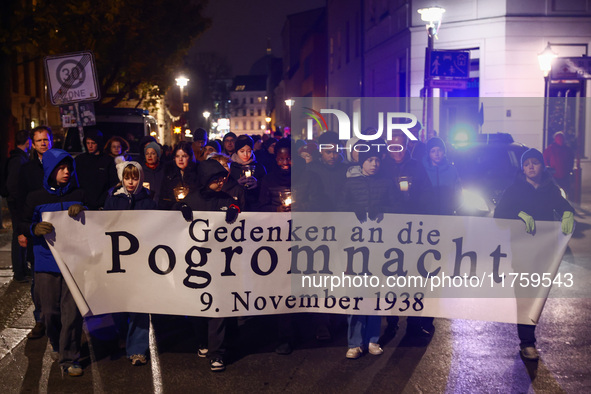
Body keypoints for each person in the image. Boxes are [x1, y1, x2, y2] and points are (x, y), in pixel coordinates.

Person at [494, 148, 574, 361]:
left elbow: (565, 206)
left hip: (544, 254)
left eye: (535, 162)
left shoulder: (550, 189)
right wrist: (518, 214)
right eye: (527, 163)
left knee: (537, 298)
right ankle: (527, 342)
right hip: (522, 253)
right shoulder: (514, 190)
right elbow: (499, 216)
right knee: (525, 297)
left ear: (542, 166)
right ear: (523, 167)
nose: (530, 166)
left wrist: (567, 213)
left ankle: (529, 336)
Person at [20, 149, 86, 376]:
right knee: (49, 313)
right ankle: (59, 345)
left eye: (69, 168)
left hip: (73, 262)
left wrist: (85, 212)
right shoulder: (35, 198)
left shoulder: (79, 193)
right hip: (46, 263)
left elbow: (96, 223)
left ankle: (71, 357)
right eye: (61, 168)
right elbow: (24, 223)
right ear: (50, 170)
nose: (66, 172)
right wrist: (33, 229)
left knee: (72, 313)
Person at [337, 139, 401, 359]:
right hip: (354, 246)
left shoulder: (386, 183)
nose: (374, 164)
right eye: (369, 160)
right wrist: (352, 210)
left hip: (378, 245)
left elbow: (397, 208)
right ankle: (354, 342)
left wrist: (381, 210)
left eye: (376, 160)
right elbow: (339, 210)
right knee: (355, 292)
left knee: (373, 293)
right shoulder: (349, 183)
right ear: (362, 162)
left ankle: (372, 339)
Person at [177, 159, 242, 372]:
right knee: (198, 307)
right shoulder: (193, 199)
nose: (221, 182)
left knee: (217, 307)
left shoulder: (226, 198)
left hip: (220, 263)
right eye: (216, 180)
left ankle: (217, 353)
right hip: (196, 263)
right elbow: (171, 217)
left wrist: (235, 208)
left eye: (222, 178)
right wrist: (181, 208)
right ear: (206, 180)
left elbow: (242, 212)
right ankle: (203, 342)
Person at [104, 161, 157, 366]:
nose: (131, 182)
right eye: (127, 178)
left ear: (140, 178)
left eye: (135, 178)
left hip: (140, 261)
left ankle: (137, 349)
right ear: (121, 179)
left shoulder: (148, 202)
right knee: (118, 304)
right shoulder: (112, 201)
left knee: (140, 305)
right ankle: (122, 335)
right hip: (117, 261)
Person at [18, 126, 54, 340]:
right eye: (39, 140)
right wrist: (22, 231)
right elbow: (20, 200)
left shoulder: (61, 164)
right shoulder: (27, 169)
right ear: (33, 143)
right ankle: (40, 319)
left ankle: (57, 316)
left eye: (46, 139)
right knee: (37, 277)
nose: (43, 143)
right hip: (35, 229)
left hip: (58, 229)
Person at [4, 130, 31, 282]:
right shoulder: (18, 160)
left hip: (16, 201)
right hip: (17, 203)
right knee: (18, 234)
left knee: (20, 234)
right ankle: (19, 271)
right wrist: (18, 200)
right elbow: (13, 184)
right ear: (28, 142)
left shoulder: (18, 158)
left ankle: (22, 268)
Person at [75, 129, 118, 209]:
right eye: (88, 143)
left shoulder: (108, 160)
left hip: (102, 204)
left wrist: (105, 200)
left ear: (99, 143)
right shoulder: (79, 160)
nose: (90, 146)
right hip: (83, 204)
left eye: (93, 143)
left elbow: (113, 183)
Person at [307, 131, 348, 212]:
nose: (332, 156)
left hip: (341, 215)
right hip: (318, 215)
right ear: (321, 150)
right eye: (328, 152)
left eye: (335, 152)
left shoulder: (346, 169)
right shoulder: (311, 169)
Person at [422, 137, 461, 215]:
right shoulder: (423, 170)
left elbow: (458, 191)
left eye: (439, 150)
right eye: (433, 151)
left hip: (447, 214)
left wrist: (453, 207)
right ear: (428, 153)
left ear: (444, 151)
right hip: (426, 215)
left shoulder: (452, 170)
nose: (437, 154)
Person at [229, 135, 266, 210]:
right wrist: (236, 184)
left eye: (249, 151)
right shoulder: (230, 167)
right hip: (235, 206)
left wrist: (258, 184)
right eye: (242, 151)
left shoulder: (259, 167)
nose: (245, 154)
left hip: (255, 207)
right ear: (236, 151)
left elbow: (267, 187)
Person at [158, 141, 199, 210]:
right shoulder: (168, 173)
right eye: (177, 156)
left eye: (184, 156)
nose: (180, 159)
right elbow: (163, 198)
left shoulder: (197, 173)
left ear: (190, 157)